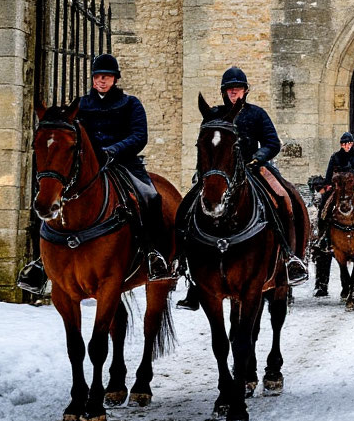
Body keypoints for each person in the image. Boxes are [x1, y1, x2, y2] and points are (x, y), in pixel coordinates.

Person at [17, 53, 170, 295]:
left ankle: (153, 254)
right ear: (92, 79)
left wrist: (113, 150)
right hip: (88, 167)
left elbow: (139, 136)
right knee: (49, 198)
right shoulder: (81, 106)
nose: (102, 81)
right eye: (98, 77)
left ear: (115, 79)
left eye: (107, 77)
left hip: (123, 162)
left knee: (150, 196)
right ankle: (41, 262)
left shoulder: (131, 104)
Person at [178, 67, 308, 309]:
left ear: (245, 90)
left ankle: (291, 258)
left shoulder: (257, 114)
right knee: (187, 204)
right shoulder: (214, 114)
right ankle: (186, 268)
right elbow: (206, 143)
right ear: (224, 91)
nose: (233, 92)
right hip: (222, 173)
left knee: (284, 196)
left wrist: (258, 157)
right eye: (229, 88)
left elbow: (272, 142)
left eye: (237, 88)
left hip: (254, 167)